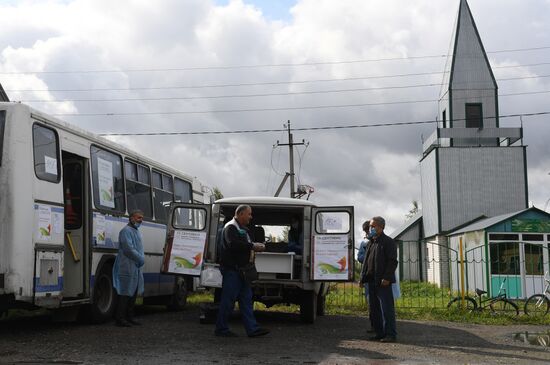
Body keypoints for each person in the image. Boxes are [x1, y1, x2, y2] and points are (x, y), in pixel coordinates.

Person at [215, 205, 270, 338]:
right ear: (240, 214)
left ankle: (252, 329)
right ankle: (221, 329)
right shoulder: (230, 228)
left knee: (246, 300)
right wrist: (253, 246)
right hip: (232, 272)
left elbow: (242, 244)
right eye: (249, 214)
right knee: (228, 301)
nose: (251, 217)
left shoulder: (241, 229)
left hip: (242, 272)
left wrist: (253, 245)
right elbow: (232, 244)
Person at [361, 216, 398, 342]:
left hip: (383, 281)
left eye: (373, 226)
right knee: (374, 308)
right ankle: (379, 332)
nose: (370, 228)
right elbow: (366, 261)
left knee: (386, 308)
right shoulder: (372, 242)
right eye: (370, 226)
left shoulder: (388, 242)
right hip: (371, 280)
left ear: (381, 227)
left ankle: (390, 334)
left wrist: (387, 277)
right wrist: (362, 278)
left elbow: (392, 262)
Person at [112, 209, 145, 327]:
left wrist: (140, 259)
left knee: (133, 293)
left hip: (135, 267)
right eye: (138, 217)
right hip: (126, 266)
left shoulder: (137, 232)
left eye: (141, 218)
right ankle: (120, 319)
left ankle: (130, 317)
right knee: (125, 293)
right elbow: (128, 249)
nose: (140, 220)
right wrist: (140, 259)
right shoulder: (125, 231)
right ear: (131, 218)